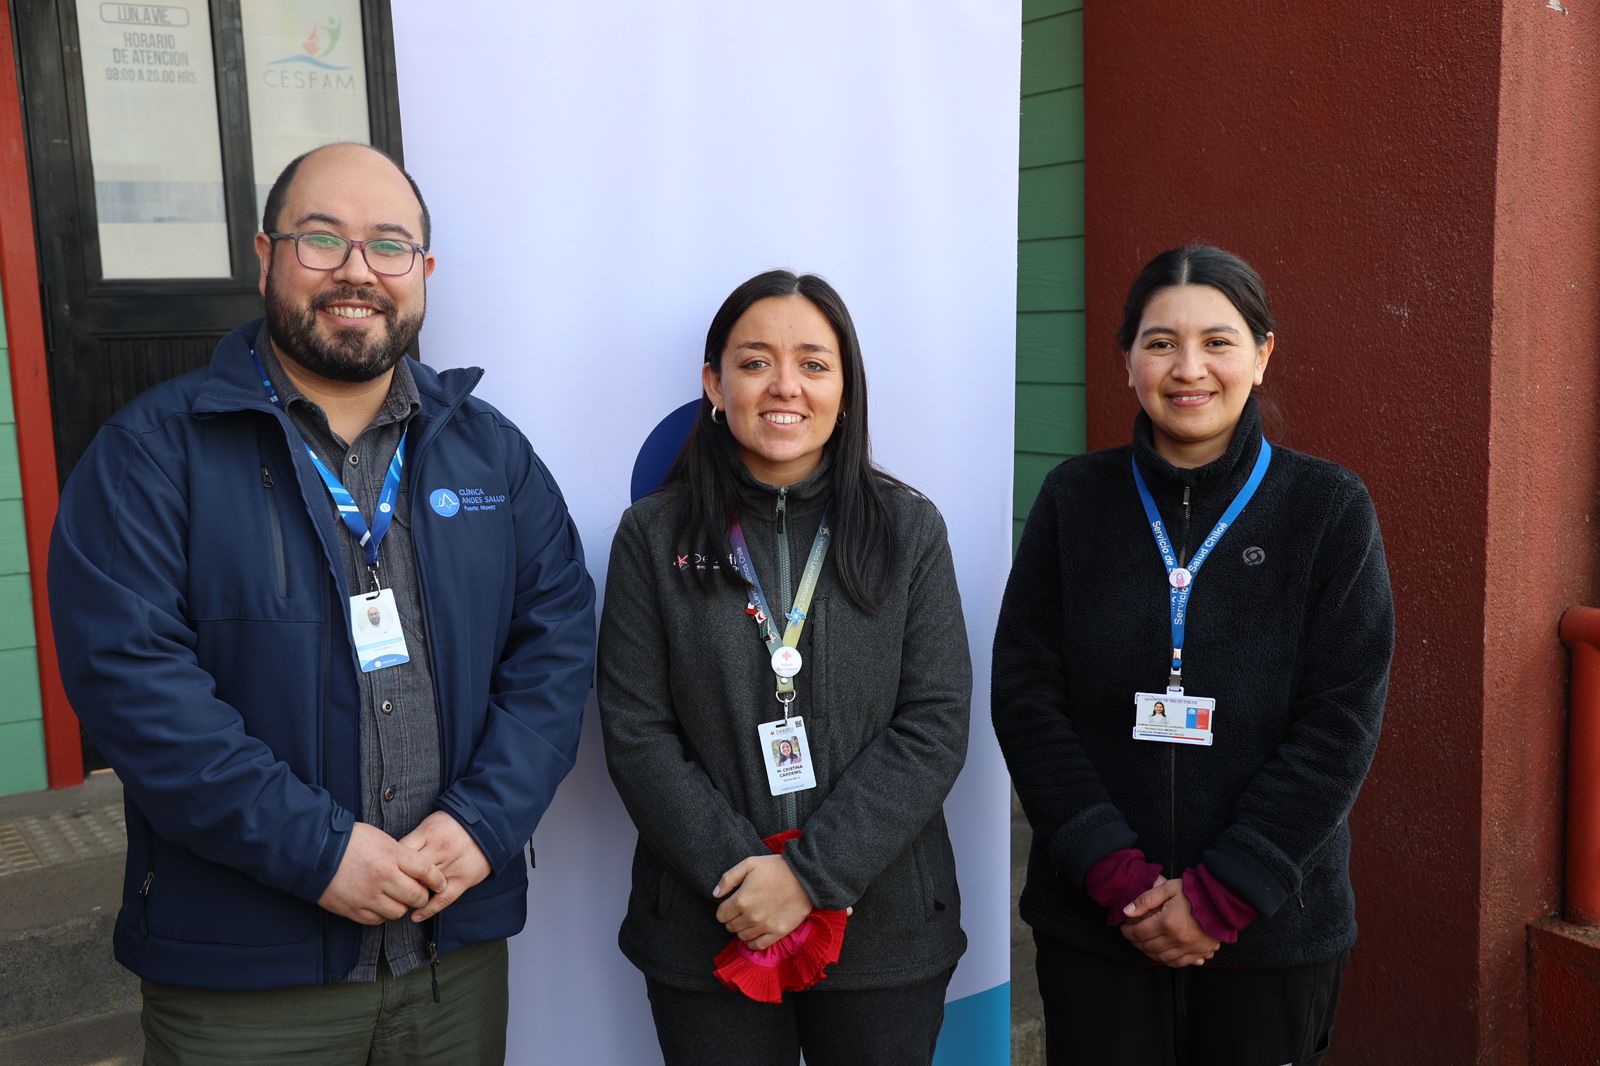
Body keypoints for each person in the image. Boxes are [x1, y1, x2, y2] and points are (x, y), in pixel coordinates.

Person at [47, 143, 596, 1065]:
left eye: (389, 245)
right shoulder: (151, 455)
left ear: (423, 272)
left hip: (449, 959)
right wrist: (319, 852)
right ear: (265, 256)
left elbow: (557, 649)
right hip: (246, 983)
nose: (357, 271)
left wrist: (484, 823)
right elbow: (135, 690)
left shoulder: (491, 456)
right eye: (321, 239)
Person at [992, 245, 1394, 1065]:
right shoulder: (1074, 499)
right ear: (1128, 361)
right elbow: (1027, 702)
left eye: (1218, 340)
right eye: (1161, 342)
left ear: (1262, 354)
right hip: (1098, 926)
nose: (1189, 368)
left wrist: (1225, 893)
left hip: (1274, 933)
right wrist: (1114, 875)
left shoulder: (1328, 510)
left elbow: (1340, 724)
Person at [598, 270, 971, 1066]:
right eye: (756, 361)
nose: (785, 386)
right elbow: (637, 735)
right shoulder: (650, 536)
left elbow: (933, 724)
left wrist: (808, 876)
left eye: (813, 362)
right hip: (710, 924)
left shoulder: (909, 530)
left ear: (846, 387)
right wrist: (742, 877)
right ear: (714, 383)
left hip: (885, 931)